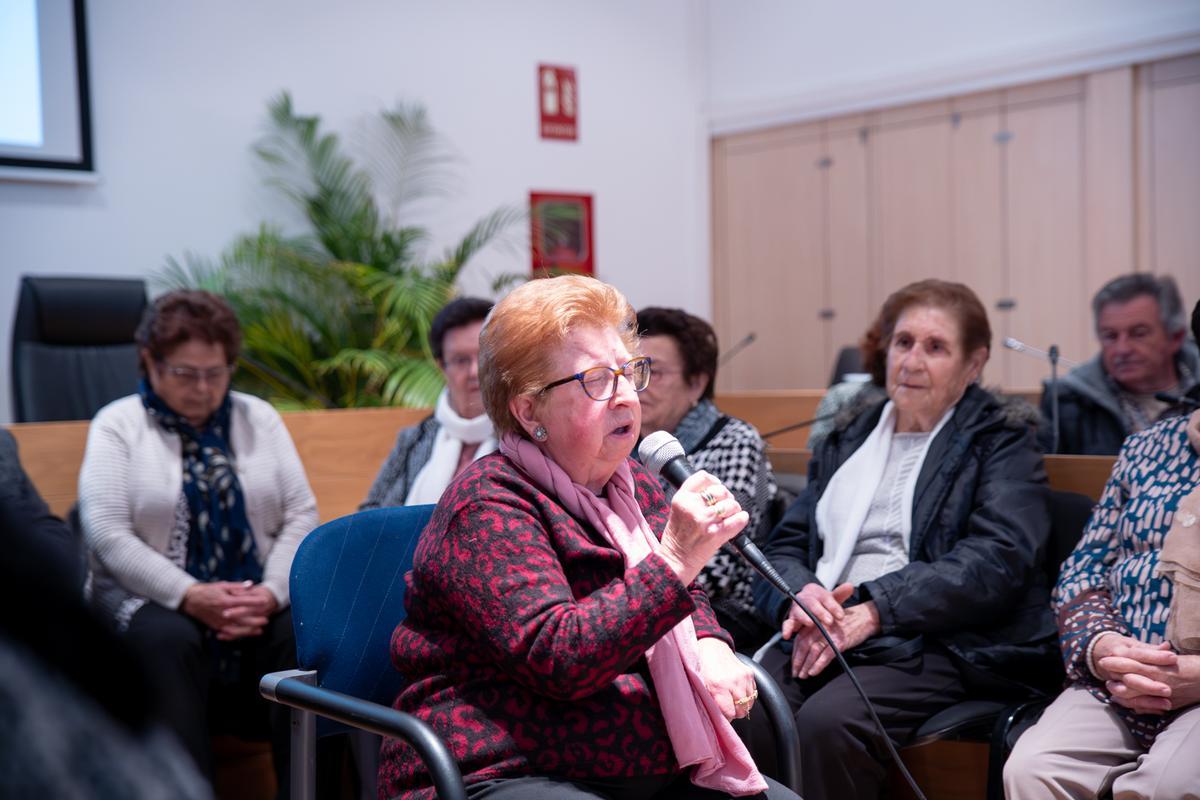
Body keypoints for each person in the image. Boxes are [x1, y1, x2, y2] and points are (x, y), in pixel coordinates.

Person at [378, 275, 799, 800]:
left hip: (643, 764)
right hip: (506, 768)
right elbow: (559, 657)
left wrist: (711, 642)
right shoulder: (486, 503)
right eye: (597, 380)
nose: (625, 396)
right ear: (530, 412)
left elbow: (686, 595)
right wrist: (674, 557)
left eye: (630, 372)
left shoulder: (631, 479)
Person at [751, 279, 1057, 799]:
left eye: (936, 348)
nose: (913, 361)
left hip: (944, 639)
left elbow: (997, 560)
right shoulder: (850, 434)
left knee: (831, 725)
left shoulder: (1000, 439)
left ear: (973, 363)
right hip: (828, 622)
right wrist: (800, 594)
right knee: (746, 705)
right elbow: (787, 543)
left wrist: (874, 611)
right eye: (903, 343)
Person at [78, 289, 318, 793]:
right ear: (151, 360)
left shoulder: (258, 418)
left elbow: (300, 513)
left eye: (216, 372)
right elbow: (106, 532)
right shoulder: (118, 424)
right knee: (168, 639)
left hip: (253, 595)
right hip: (152, 597)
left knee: (302, 639)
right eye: (187, 373)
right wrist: (190, 595)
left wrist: (271, 593)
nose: (203, 387)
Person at [1003, 300, 1200, 800]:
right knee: (1031, 767)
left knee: (1165, 785)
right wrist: (1105, 649)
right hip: (1118, 676)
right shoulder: (1146, 448)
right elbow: (1081, 574)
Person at [634, 306, 777, 649]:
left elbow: (719, 568)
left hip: (722, 614)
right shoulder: (626, 442)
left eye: (656, 372)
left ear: (696, 382)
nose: (639, 385)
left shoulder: (735, 440)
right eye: (634, 370)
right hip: (643, 597)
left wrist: (628, 583)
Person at [1040, 272, 1198, 455]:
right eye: (1110, 336)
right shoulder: (1067, 401)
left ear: (1176, 337)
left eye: (1139, 333)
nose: (1122, 349)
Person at [361, 297, 496, 508]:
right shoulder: (415, 438)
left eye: (483, 358)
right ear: (442, 366)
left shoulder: (521, 439)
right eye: (461, 360)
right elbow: (368, 513)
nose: (473, 371)